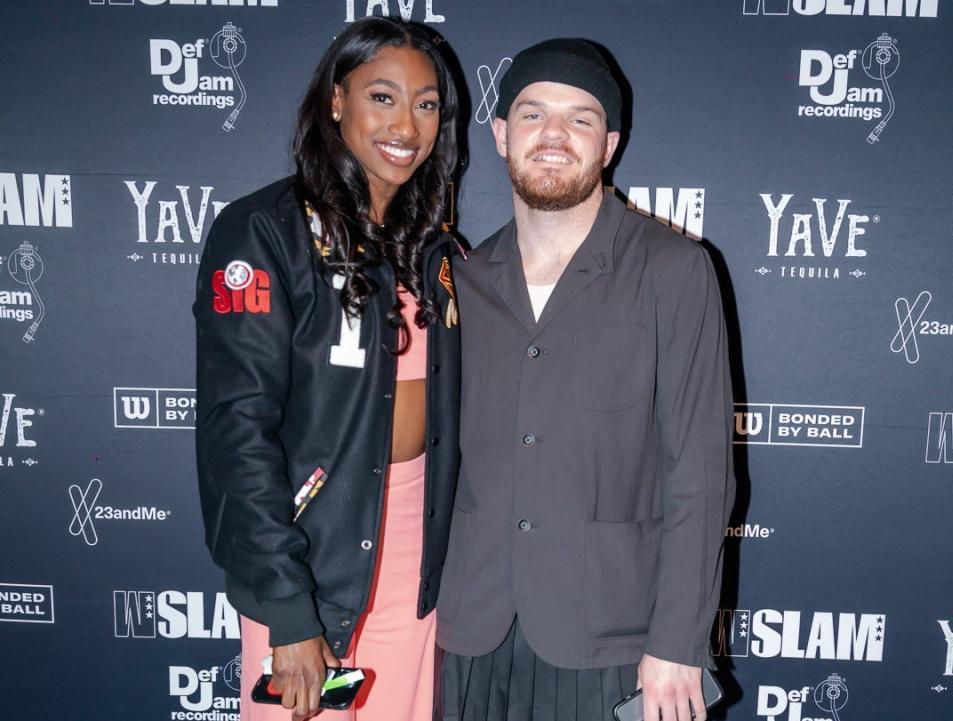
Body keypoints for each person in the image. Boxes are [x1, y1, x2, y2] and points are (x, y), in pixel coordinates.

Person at [437, 39, 734, 721]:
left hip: (608, 639)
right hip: (472, 633)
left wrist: (679, 641)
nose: (553, 136)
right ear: (502, 133)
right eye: (534, 114)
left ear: (610, 143)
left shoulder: (674, 270)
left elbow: (701, 472)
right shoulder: (463, 280)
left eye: (580, 118)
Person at [194, 17, 463, 721]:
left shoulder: (434, 250)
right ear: (336, 100)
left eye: (426, 102)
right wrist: (287, 607)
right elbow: (238, 431)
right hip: (310, 560)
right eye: (383, 96)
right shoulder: (262, 231)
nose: (407, 122)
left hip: (416, 564)